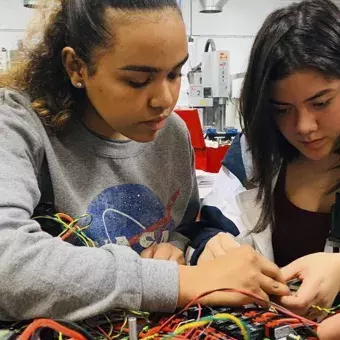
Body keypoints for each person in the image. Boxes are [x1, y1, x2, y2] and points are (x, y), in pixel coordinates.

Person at [0, 0, 289, 321]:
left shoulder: (172, 135)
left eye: (175, 73)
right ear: (76, 67)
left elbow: (181, 226)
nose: (165, 100)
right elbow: (7, 264)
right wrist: (178, 282)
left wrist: (178, 248)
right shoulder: (16, 123)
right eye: (137, 81)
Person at [188, 0, 340, 317]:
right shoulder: (251, 156)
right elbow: (208, 231)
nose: (304, 127)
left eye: (321, 103)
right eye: (282, 110)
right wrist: (211, 247)